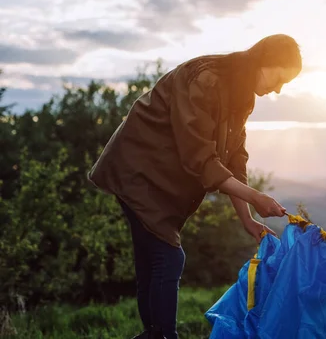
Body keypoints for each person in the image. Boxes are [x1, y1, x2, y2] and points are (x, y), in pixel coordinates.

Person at [87, 34, 303, 339]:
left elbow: (234, 159)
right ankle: (162, 334)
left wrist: (246, 216)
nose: (278, 89)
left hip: (158, 180)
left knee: (154, 259)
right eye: (279, 78)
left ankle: (154, 333)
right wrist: (256, 197)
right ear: (261, 61)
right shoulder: (207, 80)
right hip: (138, 170)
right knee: (167, 257)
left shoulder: (242, 97)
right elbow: (201, 159)